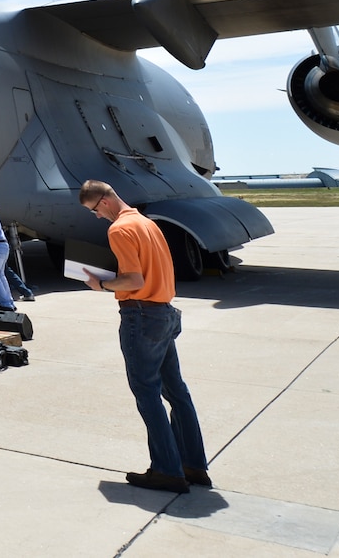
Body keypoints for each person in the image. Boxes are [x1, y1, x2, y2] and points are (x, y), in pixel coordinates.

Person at [79, 180, 209, 494]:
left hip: (141, 315)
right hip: (164, 311)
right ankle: (193, 465)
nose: (97, 217)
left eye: (95, 210)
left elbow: (133, 280)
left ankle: (167, 470)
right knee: (177, 392)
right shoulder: (148, 224)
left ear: (106, 201)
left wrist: (101, 285)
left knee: (147, 392)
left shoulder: (120, 229)